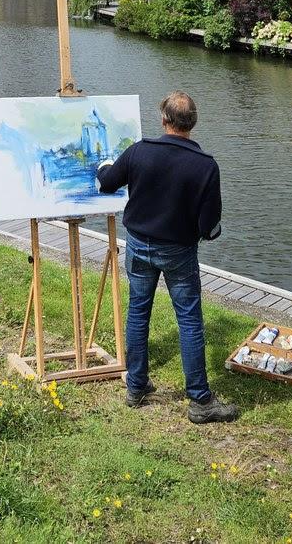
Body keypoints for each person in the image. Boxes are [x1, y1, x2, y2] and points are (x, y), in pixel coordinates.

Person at [97, 91, 239, 425]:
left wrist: (104, 165)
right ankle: (200, 401)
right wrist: (205, 229)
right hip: (178, 252)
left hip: (139, 245)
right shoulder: (205, 166)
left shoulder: (139, 151)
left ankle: (135, 387)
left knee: (138, 313)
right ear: (193, 123)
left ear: (164, 119)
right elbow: (208, 226)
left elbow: (107, 183)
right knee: (188, 320)